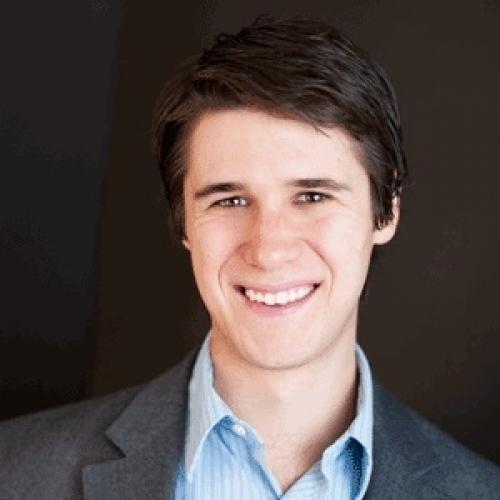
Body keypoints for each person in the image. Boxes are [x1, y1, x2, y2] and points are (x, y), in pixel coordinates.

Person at [0, 14, 499, 500]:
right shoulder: (14, 473)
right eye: (230, 200)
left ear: (385, 212)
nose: (269, 248)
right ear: (184, 224)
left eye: (312, 196)